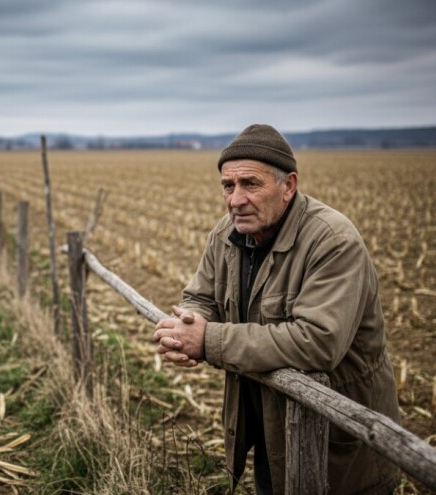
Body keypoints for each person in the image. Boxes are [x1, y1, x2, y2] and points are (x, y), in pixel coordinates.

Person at [153, 124, 400, 494]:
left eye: (250, 184)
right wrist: (187, 325)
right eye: (228, 186)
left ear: (289, 186)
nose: (235, 199)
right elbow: (202, 297)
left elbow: (317, 342)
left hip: (338, 442)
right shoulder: (227, 233)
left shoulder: (333, 241)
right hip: (270, 430)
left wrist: (207, 341)